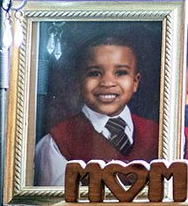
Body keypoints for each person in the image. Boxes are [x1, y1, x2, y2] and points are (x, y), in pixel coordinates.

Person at [33, 35, 159, 186]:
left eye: (120, 73)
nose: (107, 83)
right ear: (78, 82)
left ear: (135, 82)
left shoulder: (157, 134)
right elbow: (54, 202)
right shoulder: (57, 142)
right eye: (94, 73)